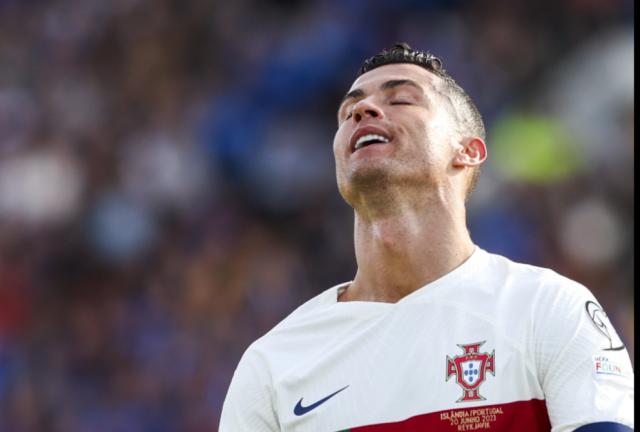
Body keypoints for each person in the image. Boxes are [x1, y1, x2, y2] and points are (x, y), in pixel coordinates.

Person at [219, 43, 634, 431]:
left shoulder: (547, 308)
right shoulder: (274, 363)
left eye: (400, 99)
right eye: (347, 112)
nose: (362, 110)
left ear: (467, 151)